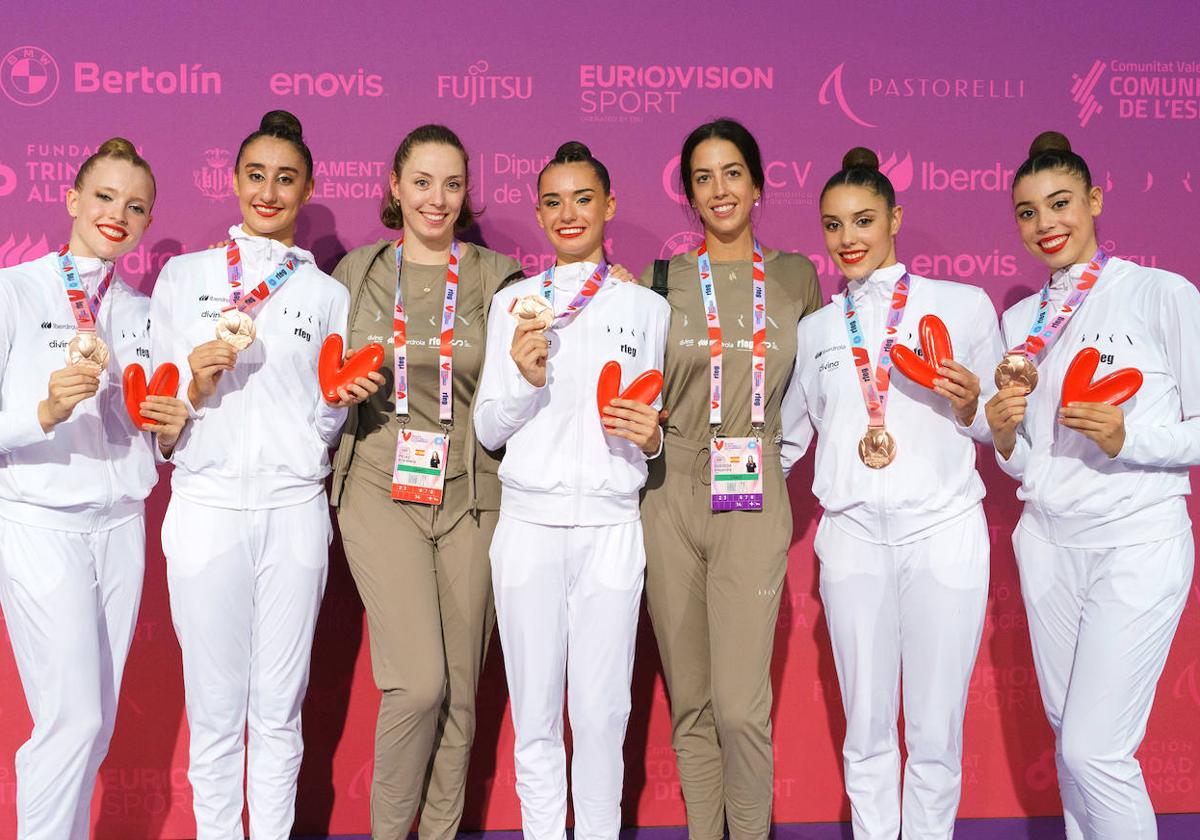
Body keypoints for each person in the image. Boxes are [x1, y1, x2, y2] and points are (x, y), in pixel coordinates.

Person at [149, 110, 379, 840]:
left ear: (307, 188)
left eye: (286, 178)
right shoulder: (184, 279)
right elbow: (158, 412)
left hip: (293, 512)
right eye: (257, 176)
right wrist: (192, 382)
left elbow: (322, 422)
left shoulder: (327, 294)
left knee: (279, 707)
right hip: (207, 506)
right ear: (234, 180)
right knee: (215, 707)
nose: (270, 191)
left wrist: (334, 410)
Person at [780, 147, 1001, 839]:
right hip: (851, 540)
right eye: (833, 225)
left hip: (943, 532)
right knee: (866, 725)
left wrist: (973, 407)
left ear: (895, 218)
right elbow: (788, 438)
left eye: (864, 220)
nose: (848, 239)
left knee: (935, 729)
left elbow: (1002, 428)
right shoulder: (816, 330)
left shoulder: (961, 306)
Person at [985, 131, 1199, 840]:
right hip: (1048, 548)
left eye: (1060, 203)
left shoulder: (1160, 293)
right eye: (1027, 212)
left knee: (1095, 750)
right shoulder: (1021, 323)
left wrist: (1126, 437)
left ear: (1095, 200)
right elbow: (1025, 465)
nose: (1045, 224)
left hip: (1136, 543)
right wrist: (1006, 433)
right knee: (1071, 749)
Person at [327, 124, 522, 839]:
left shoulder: (498, 278)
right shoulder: (357, 273)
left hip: (473, 494)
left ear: (466, 191)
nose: (436, 200)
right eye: (421, 182)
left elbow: (529, 375)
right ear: (394, 186)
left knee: (462, 697)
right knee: (419, 684)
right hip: (380, 486)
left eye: (451, 184)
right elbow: (319, 372)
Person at [474, 141, 669, 839]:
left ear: (609, 206)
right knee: (534, 712)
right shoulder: (514, 305)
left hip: (613, 530)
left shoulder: (647, 308)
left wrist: (650, 438)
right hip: (528, 529)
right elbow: (488, 427)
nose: (569, 213)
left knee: (602, 713)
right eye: (553, 201)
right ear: (538, 212)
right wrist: (525, 383)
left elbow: (656, 430)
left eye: (583, 198)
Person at [638, 118, 822, 839]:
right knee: (692, 702)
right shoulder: (658, 282)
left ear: (758, 182)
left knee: (742, 706)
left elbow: (815, 391)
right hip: (669, 492)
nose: (719, 190)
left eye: (732, 173)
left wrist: (769, 463)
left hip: (751, 486)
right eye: (703, 177)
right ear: (688, 193)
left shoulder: (796, 276)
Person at [0, 138, 185, 840]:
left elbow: (157, 437)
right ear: (72, 199)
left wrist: (169, 430)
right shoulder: (14, 291)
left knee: (95, 723)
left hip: (120, 525)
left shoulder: (142, 313)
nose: (118, 214)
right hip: (39, 519)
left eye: (135, 206)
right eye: (105, 197)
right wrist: (43, 411)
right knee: (69, 718)